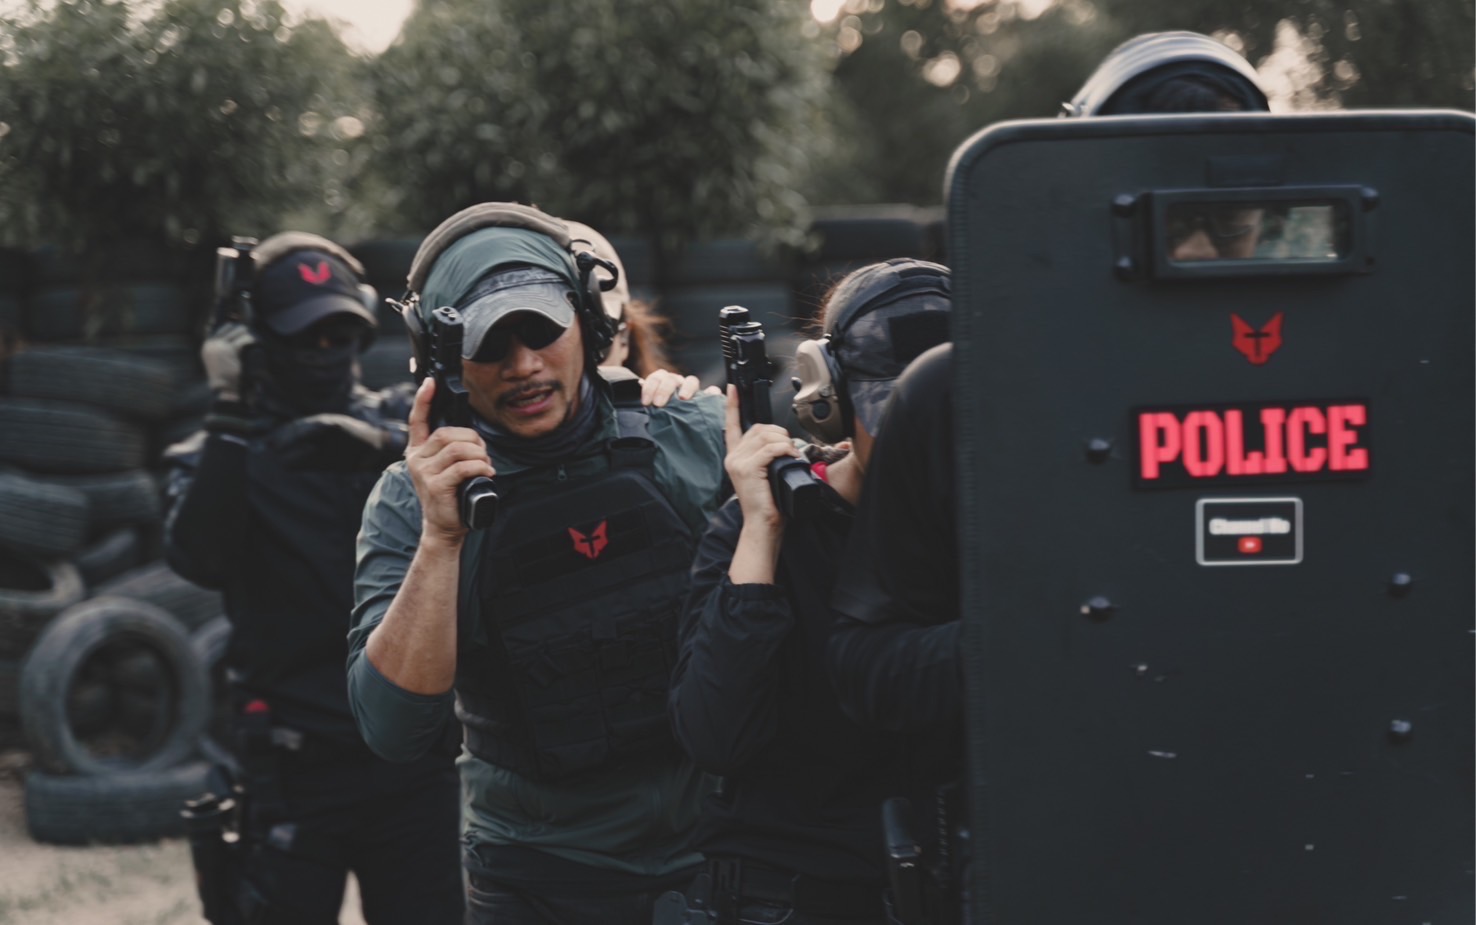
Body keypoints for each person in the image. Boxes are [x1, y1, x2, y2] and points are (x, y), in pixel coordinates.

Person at [825, 32, 1273, 924]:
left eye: (1231, 219)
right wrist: (1042, 639)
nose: (1200, 251)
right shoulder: (958, 392)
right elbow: (866, 669)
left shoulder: (1376, 375)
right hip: (1061, 853)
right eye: (1167, 216)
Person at [345, 202, 728, 925]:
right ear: (440, 359)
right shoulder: (411, 500)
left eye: (541, 330)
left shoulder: (694, 433)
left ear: (588, 321)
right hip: (541, 872)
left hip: (719, 850)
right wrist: (442, 539)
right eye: (490, 342)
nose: (523, 365)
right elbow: (392, 729)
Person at [164, 232, 465, 924]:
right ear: (256, 341)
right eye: (307, 337)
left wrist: (388, 447)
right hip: (291, 768)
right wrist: (230, 407)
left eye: (341, 334)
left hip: (413, 761)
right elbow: (198, 556)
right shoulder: (221, 451)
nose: (327, 351)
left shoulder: (407, 430)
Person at [662, 259, 954, 925]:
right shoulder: (761, 526)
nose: (919, 442)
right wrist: (762, 531)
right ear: (830, 402)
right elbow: (715, 737)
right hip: (796, 892)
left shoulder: (1000, 523)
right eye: (895, 416)